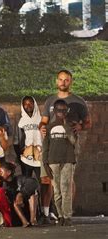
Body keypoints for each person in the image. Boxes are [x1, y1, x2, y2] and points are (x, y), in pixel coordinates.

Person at [39, 70, 91, 223]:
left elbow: (88, 123)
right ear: (56, 81)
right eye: (60, 79)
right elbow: (43, 122)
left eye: (66, 80)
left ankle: (67, 213)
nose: (63, 82)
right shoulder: (50, 101)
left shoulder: (78, 101)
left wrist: (80, 127)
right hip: (53, 146)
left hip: (69, 145)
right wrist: (42, 127)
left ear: (71, 82)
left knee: (68, 181)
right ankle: (59, 213)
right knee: (55, 184)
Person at [43, 99, 77, 226]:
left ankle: (67, 216)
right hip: (53, 161)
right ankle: (60, 215)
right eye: (58, 110)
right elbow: (45, 147)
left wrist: (66, 126)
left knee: (66, 189)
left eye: (64, 110)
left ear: (67, 111)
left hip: (68, 160)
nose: (61, 112)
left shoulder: (71, 126)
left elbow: (73, 142)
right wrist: (45, 164)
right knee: (57, 191)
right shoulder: (48, 127)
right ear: (54, 111)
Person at [0, 162, 39, 227]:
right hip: (16, 212)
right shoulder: (3, 184)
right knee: (15, 203)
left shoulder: (20, 179)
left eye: (1, 172)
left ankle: (33, 220)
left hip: (27, 207)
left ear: (8, 172)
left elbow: (33, 182)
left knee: (33, 193)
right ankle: (25, 222)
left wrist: (21, 194)